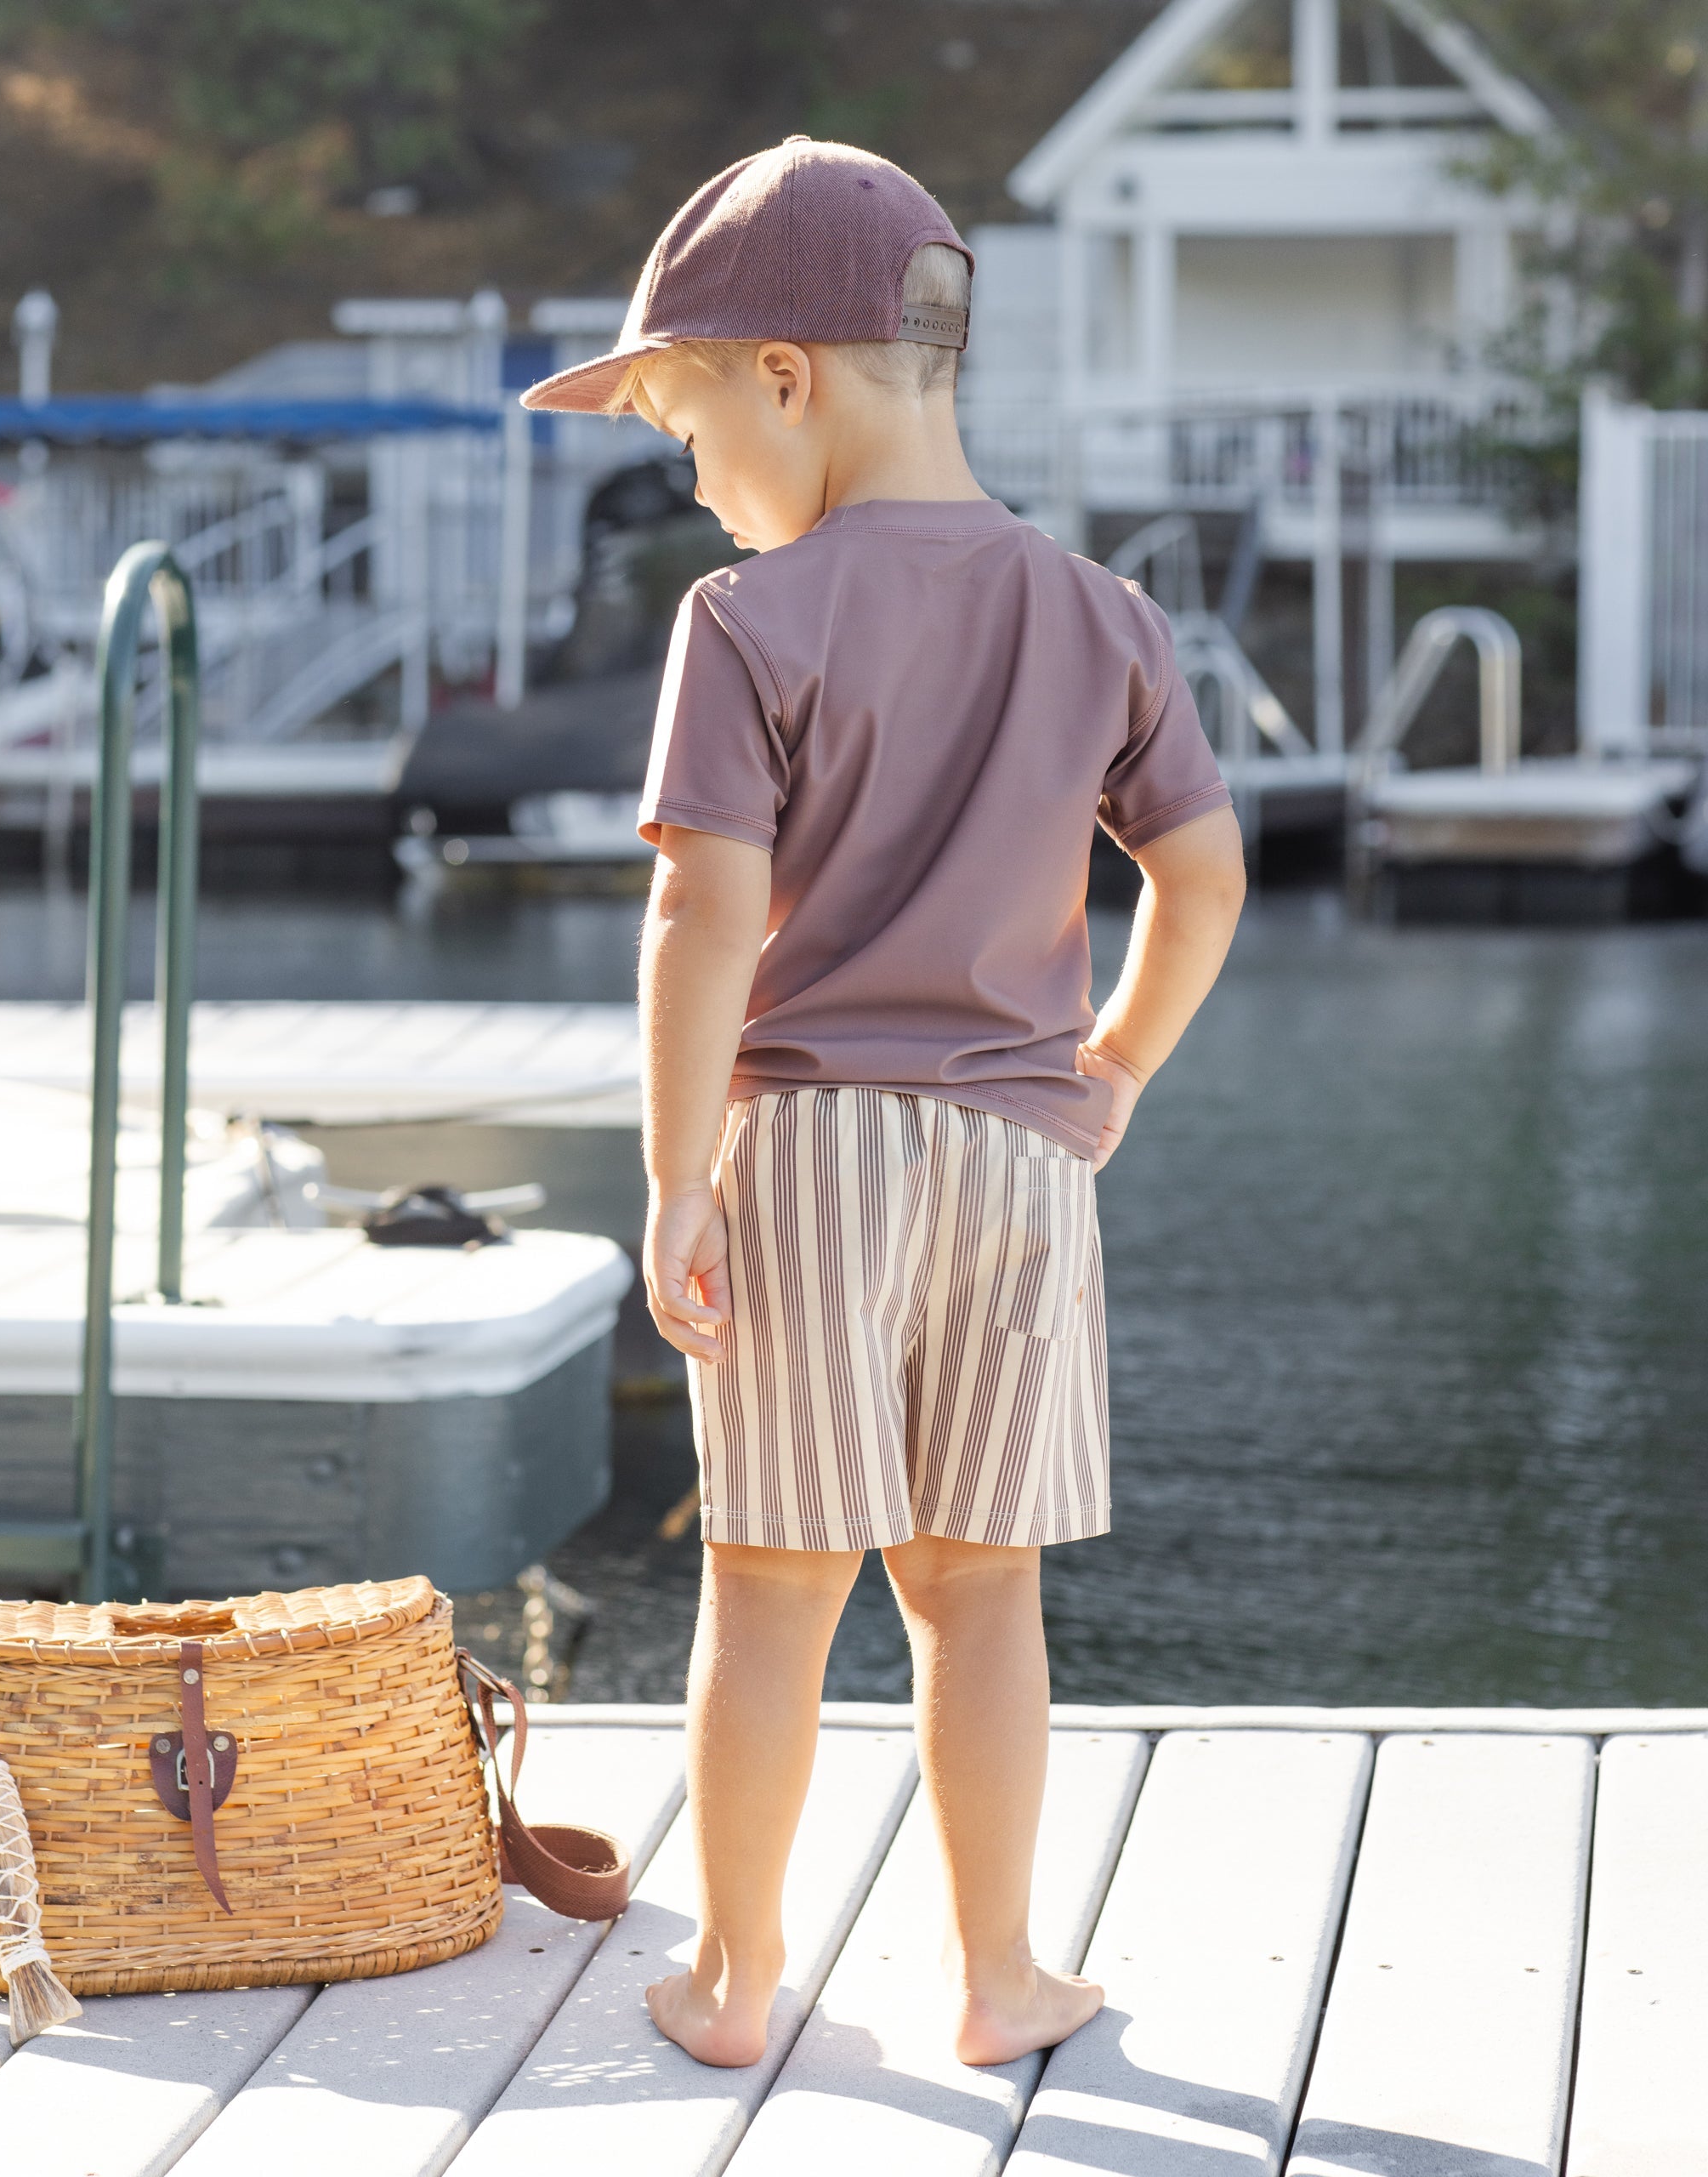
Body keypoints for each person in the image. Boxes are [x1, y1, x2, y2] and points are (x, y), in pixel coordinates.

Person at [519, 137, 1246, 2072]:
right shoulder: (1101, 611)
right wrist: (1109, 1070)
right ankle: (1000, 1976)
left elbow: (701, 911)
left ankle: (738, 1975)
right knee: (977, 1583)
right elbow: (1205, 878)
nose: (687, 477)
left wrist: (678, 1173)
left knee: (768, 1587)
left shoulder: (747, 621)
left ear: (784, 373)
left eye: (682, 422)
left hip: (815, 1141)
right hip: (1020, 1156)